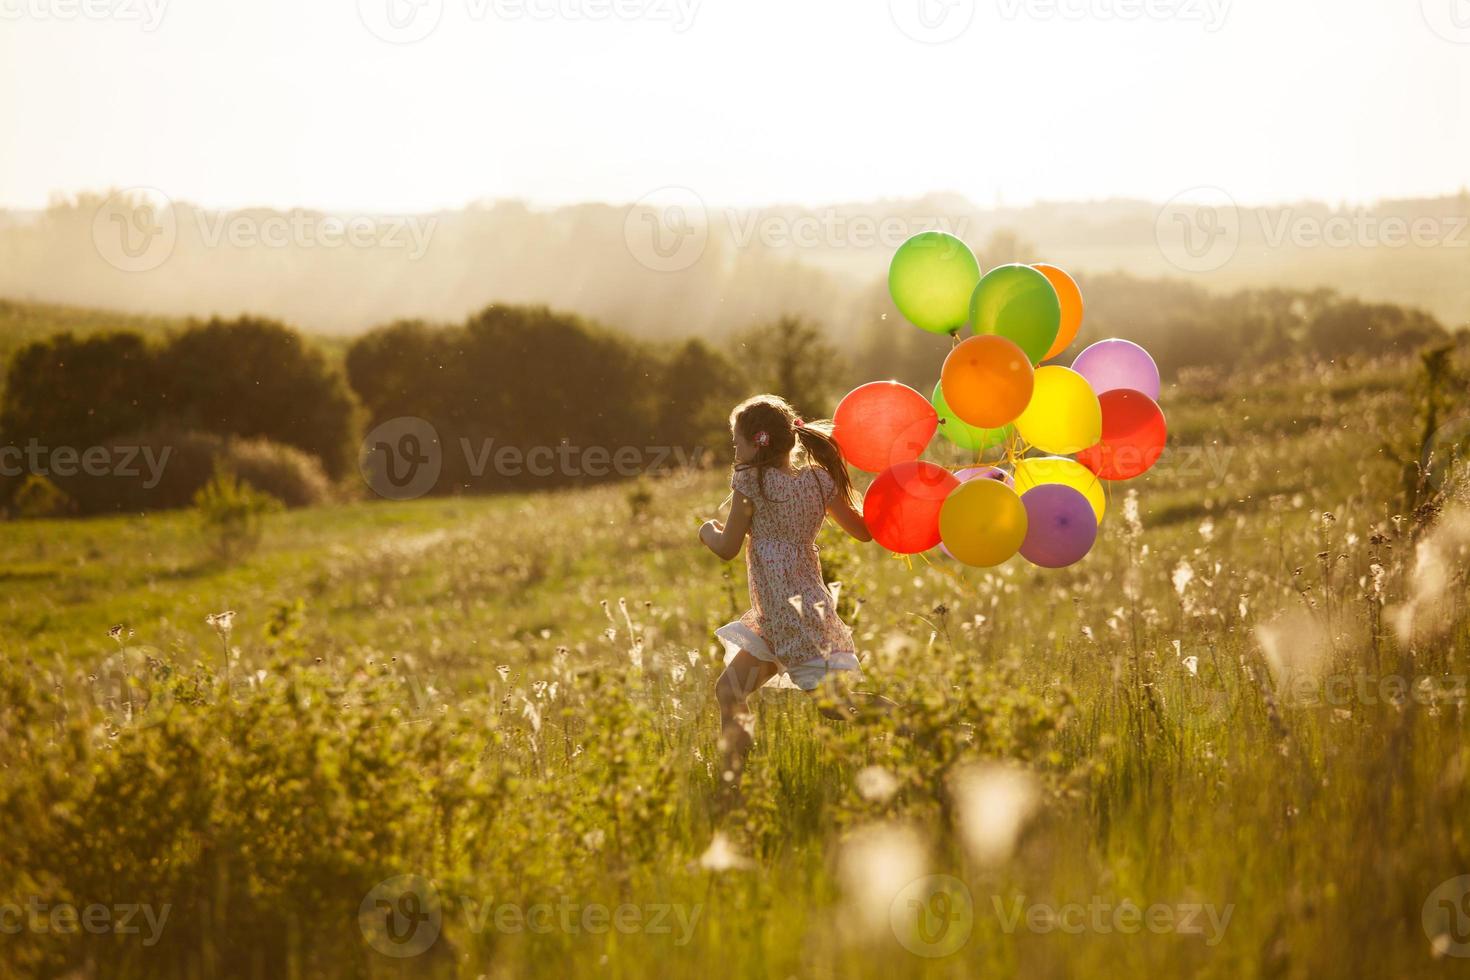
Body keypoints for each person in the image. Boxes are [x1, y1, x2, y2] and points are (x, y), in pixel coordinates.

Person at [698, 394, 891, 799]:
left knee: (835, 706)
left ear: (757, 441)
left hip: (788, 615)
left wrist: (707, 532)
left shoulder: (751, 482)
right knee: (730, 691)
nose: (735, 450)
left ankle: (921, 725)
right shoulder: (819, 480)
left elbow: (728, 546)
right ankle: (732, 775)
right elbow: (862, 531)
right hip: (790, 610)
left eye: (737, 442)